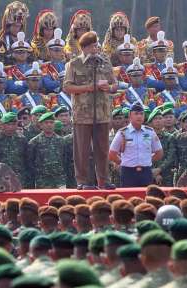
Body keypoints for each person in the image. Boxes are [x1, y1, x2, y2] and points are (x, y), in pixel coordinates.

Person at [63, 31, 118, 190]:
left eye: (97, 44)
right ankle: (83, 182)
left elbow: (115, 84)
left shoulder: (105, 61)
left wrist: (110, 87)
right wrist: (89, 88)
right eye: (93, 45)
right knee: (82, 151)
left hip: (102, 113)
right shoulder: (74, 64)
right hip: (82, 114)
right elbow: (67, 87)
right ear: (85, 47)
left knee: (102, 149)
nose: (97, 47)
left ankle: (104, 180)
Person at [109, 102, 163, 188]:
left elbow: (159, 153)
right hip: (128, 172)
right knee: (129, 199)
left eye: (141, 114)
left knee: (146, 199)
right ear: (130, 116)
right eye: (136, 114)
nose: (139, 116)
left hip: (146, 172)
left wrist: (146, 160)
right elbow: (112, 154)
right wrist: (123, 162)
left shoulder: (150, 132)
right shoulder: (123, 132)